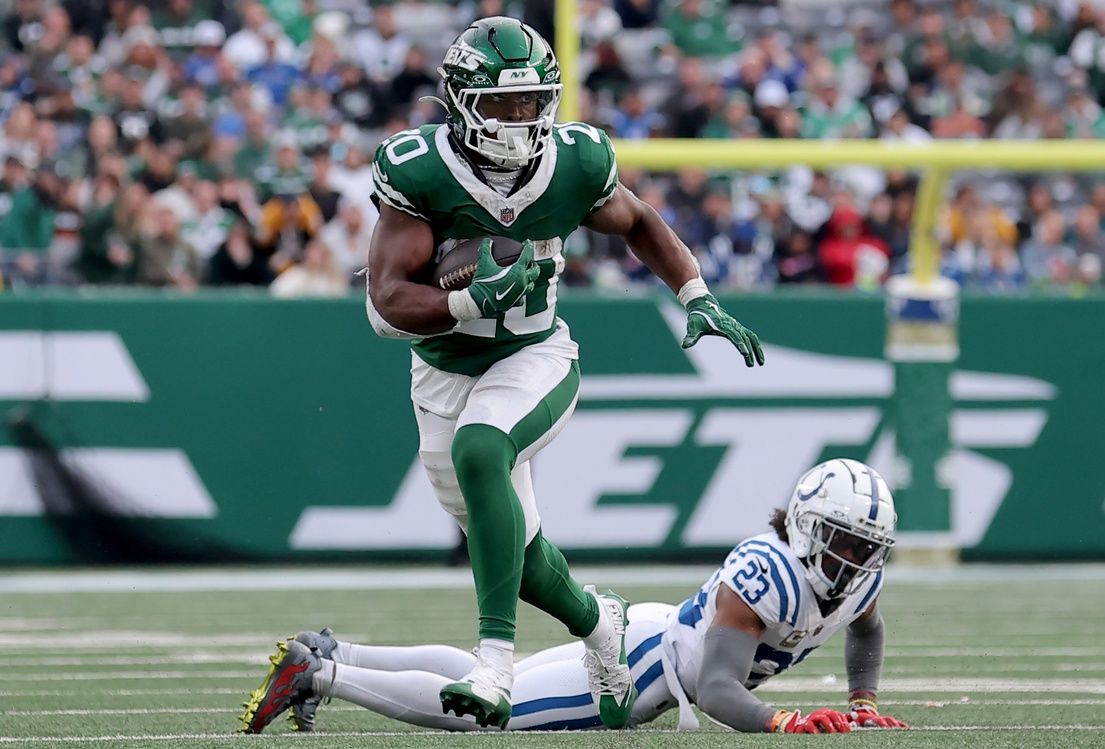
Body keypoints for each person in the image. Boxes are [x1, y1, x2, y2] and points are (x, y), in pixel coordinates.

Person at [238, 16, 764, 734]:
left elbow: (636, 219)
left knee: (483, 448)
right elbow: (387, 302)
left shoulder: (574, 160)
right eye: (504, 105)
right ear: (459, 102)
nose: (521, 120)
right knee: (514, 552)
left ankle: (495, 662)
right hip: (443, 374)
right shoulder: (420, 170)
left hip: (536, 355)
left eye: (532, 102)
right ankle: (599, 622)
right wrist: (467, 298)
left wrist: (696, 293)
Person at [239, 459, 909, 734]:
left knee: (489, 680)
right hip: (647, 666)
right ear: (805, 525)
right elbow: (716, 685)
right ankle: (320, 673)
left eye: (863, 545)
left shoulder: (857, 579)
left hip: (653, 638)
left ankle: (339, 651)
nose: (852, 559)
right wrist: (784, 723)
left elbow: (866, 630)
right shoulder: (768, 570)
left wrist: (863, 702)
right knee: (484, 715)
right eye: (842, 540)